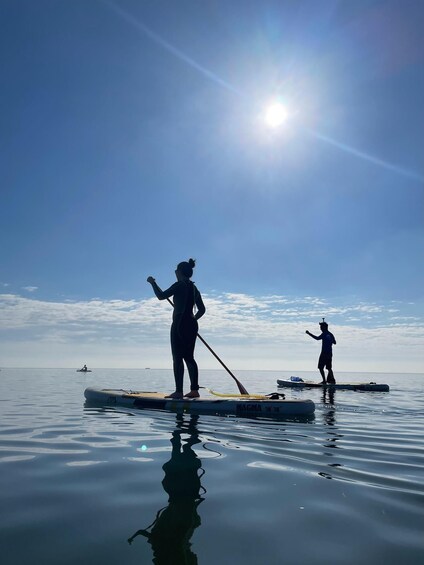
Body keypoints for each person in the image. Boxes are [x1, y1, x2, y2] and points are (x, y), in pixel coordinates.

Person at [147, 258, 206, 399]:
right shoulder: (194, 288)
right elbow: (202, 310)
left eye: (176, 270)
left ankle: (178, 391)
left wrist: (153, 283)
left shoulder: (179, 285)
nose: (175, 272)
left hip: (179, 323)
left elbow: (161, 296)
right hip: (191, 324)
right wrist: (192, 319)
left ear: (179, 272)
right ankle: (194, 390)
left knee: (178, 358)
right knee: (190, 357)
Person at [305, 319, 336, 384]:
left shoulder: (324, 334)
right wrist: (330, 340)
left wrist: (309, 333)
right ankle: (332, 380)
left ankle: (324, 381)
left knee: (320, 367)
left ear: (324, 327)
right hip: (330, 353)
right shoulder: (330, 334)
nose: (320, 328)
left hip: (324, 353)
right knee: (329, 368)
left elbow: (317, 338)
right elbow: (334, 342)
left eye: (321, 327)